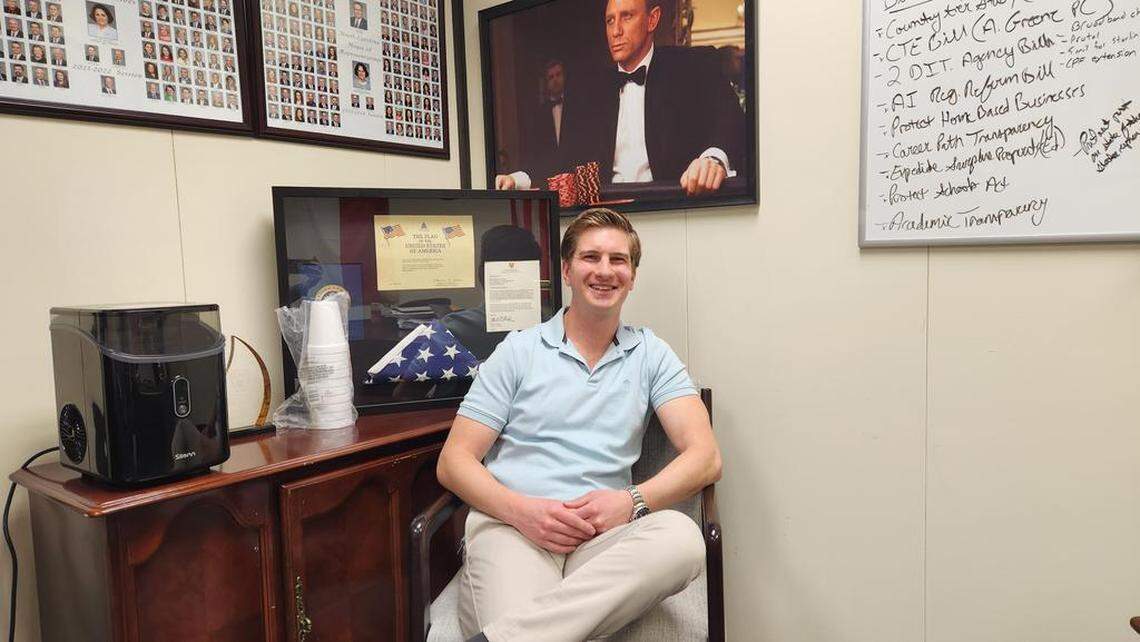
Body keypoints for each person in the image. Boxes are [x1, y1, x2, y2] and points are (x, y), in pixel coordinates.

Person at [437, 208, 720, 642]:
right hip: (514, 531)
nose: (605, 271)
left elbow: (705, 458)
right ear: (567, 270)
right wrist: (523, 512)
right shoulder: (518, 351)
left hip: (602, 538)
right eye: (591, 257)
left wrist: (630, 502)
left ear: (633, 275)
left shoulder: (651, 354)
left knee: (682, 538)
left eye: (618, 260)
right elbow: (454, 461)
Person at [494, 0, 744, 198]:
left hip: (675, 207)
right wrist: (519, 179)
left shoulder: (693, 65)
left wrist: (713, 159)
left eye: (627, 16)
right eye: (609, 20)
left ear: (652, 19)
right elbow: (566, 158)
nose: (616, 31)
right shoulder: (588, 88)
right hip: (607, 218)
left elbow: (732, 123)